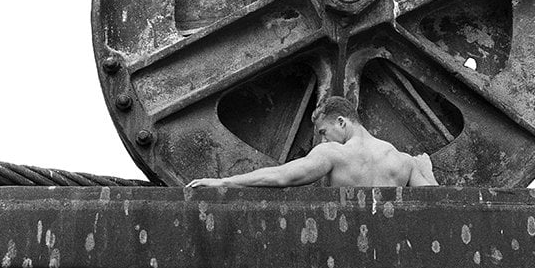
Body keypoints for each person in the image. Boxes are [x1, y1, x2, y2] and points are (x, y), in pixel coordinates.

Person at [186, 96, 438, 188]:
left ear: (341, 122)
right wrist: (427, 170)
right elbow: (439, 204)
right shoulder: (403, 160)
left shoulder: (332, 154)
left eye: (322, 131)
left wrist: (224, 181)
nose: (322, 138)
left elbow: (283, 176)